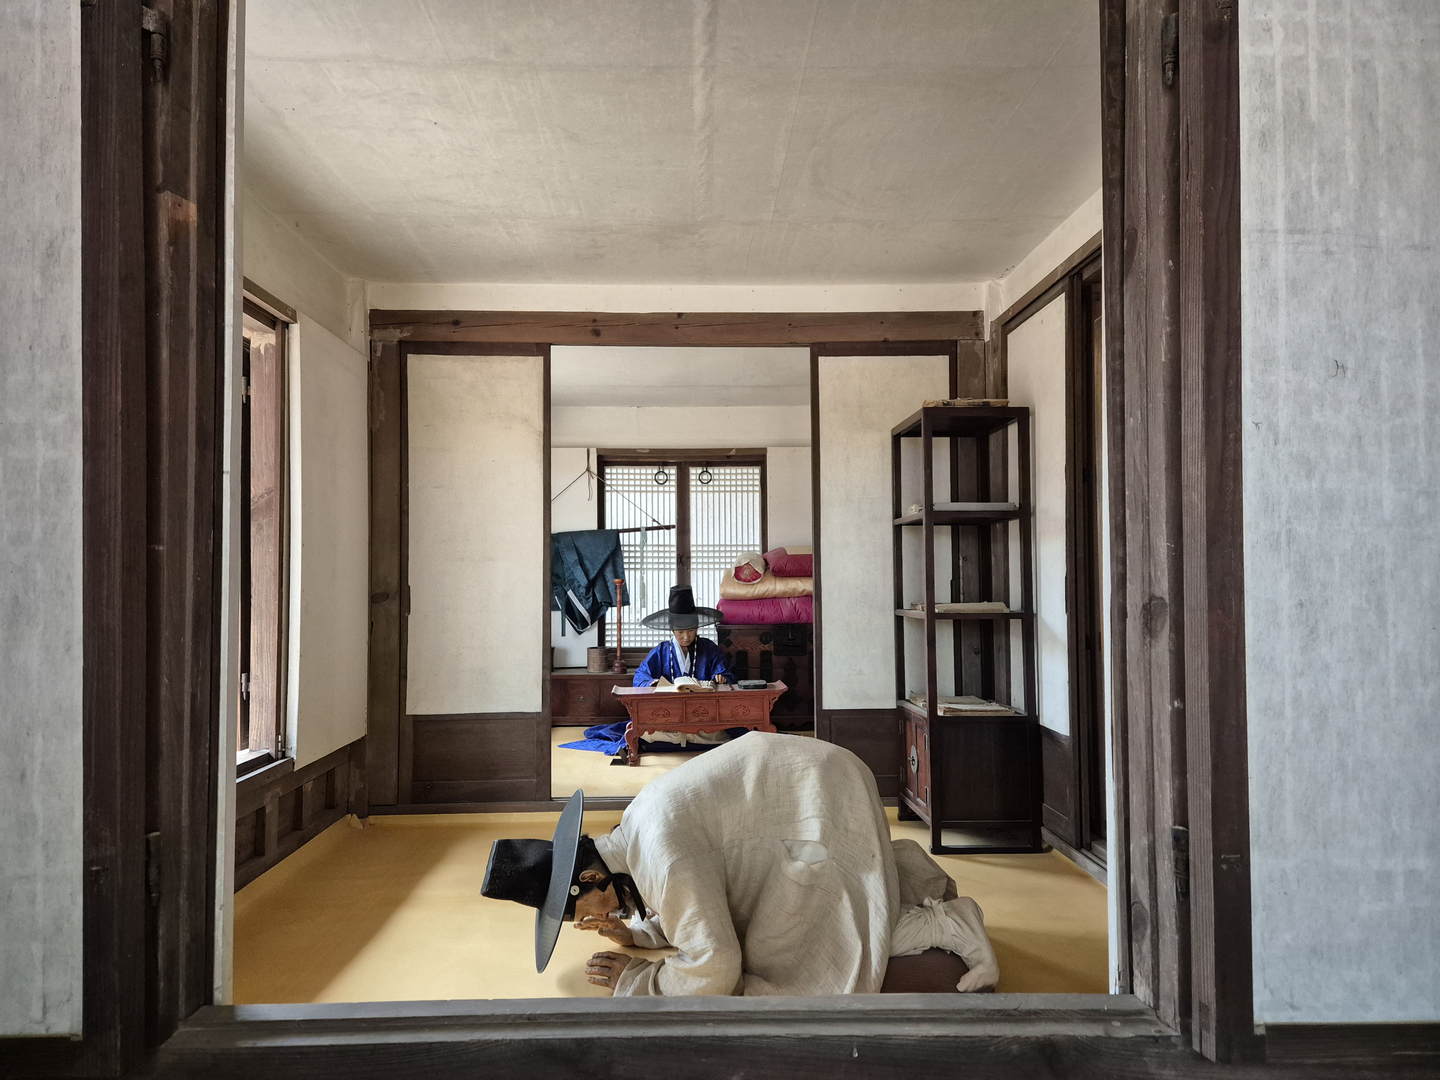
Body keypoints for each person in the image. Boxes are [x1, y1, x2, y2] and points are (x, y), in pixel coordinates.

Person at [480, 732, 1000, 996]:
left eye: (581, 912)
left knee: (800, 949)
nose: (591, 921)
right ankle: (894, 893)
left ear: (591, 878)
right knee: (827, 906)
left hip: (816, 802)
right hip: (808, 791)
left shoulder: (661, 859)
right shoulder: (636, 829)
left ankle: (953, 926)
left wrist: (637, 980)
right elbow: (698, 895)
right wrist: (638, 933)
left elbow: (715, 963)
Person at [632, 585, 733, 687]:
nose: (686, 637)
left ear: (697, 627)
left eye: (691, 630)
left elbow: (725, 671)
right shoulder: (661, 651)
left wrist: (721, 676)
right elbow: (640, 677)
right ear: (672, 629)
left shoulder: (709, 648)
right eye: (680, 632)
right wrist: (651, 683)